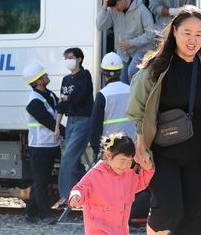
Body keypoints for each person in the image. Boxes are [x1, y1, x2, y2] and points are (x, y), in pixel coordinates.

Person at [126, 5, 201, 235]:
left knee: (193, 217)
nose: (193, 40)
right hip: (162, 154)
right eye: (187, 33)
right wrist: (140, 145)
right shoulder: (155, 67)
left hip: (200, 155)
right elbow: (138, 109)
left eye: (199, 35)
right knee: (168, 209)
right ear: (174, 31)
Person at [68, 133, 154, 235]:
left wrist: (148, 170)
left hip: (120, 230)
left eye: (129, 161)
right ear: (108, 155)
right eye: (122, 160)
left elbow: (140, 183)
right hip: (97, 229)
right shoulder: (95, 174)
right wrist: (76, 196)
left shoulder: (128, 175)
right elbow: (80, 188)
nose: (125, 165)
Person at [22, 63, 63, 225]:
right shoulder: (34, 102)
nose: (47, 76)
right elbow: (49, 122)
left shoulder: (49, 95)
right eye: (44, 75)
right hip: (39, 147)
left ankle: (31, 214)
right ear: (38, 81)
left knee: (40, 180)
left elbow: (58, 111)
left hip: (50, 145)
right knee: (41, 181)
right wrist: (69, 133)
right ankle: (44, 215)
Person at [56, 47, 94, 206]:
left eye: (70, 57)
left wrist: (67, 98)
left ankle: (66, 196)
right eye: (65, 58)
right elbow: (61, 104)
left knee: (67, 159)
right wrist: (57, 125)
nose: (67, 61)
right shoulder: (66, 79)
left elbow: (79, 96)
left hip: (83, 120)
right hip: (70, 121)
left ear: (79, 59)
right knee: (73, 160)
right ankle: (88, 188)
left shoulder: (85, 75)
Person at [97, 0, 157, 83]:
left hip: (142, 50)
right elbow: (100, 26)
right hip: (123, 53)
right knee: (119, 80)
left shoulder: (142, 10)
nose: (115, 9)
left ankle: (135, 97)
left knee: (132, 71)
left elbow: (151, 34)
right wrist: (104, 7)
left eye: (116, 6)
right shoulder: (112, 10)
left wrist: (131, 43)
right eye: (112, 8)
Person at [90, 52, 136, 160]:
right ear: (120, 71)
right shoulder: (131, 90)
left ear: (102, 72)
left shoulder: (102, 94)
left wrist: (97, 149)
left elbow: (95, 126)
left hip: (110, 150)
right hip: (131, 147)